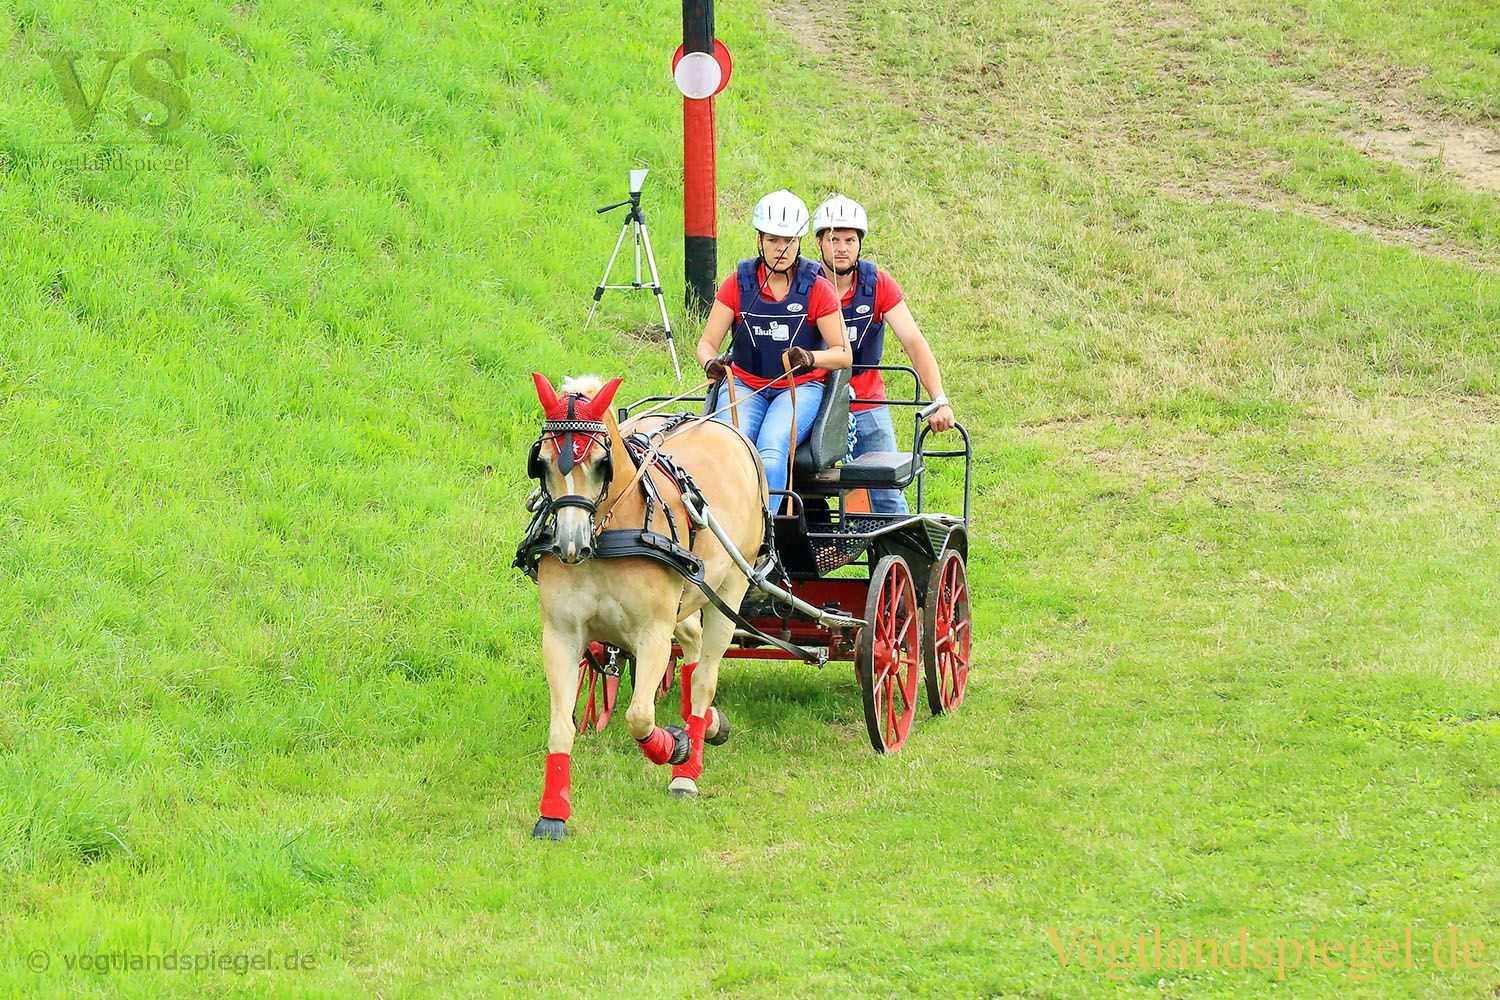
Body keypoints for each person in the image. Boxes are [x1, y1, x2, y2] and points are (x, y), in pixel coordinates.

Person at [695, 190, 852, 510]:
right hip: (745, 385)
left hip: (799, 388)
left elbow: (843, 353)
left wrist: (810, 358)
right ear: (760, 240)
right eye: (773, 240)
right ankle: (722, 521)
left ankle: (767, 528)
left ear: (799, 243)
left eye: (789, 241)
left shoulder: (817, 288)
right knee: (727, 443)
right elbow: (706, 344)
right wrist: (710, 363)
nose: (781, 248)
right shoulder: (737, 284)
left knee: (771, 446)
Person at [812, 195, 954, 515]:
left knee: (887, 491)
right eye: (833, 239)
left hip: (867, 399)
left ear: (860, 244)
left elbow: (913, 341)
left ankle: (900, 544)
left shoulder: (877, 285)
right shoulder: (803, 284)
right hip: (814, 400)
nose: (842, 248)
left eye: (850, 240)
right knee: (798, 488)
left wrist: (939, 399)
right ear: (819, 242)